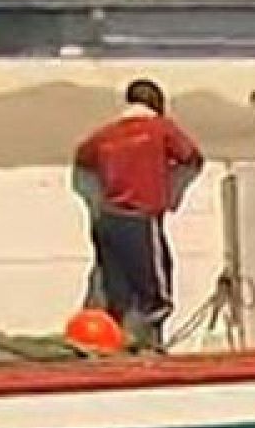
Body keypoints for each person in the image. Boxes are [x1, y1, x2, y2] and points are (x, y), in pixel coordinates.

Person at [74, 78, 204, 349]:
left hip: (106, 219)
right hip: (140, 219)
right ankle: (148, 348)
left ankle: (111, 346)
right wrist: (169, 183)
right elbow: (191, 156)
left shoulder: (105, 134)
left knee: (115, 293)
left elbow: (82, 157)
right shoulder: (160, 129)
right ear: (157, 103)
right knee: (154, 294)